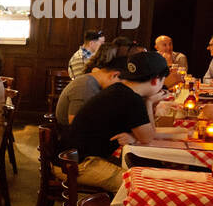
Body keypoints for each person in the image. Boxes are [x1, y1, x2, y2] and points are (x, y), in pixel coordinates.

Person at [65, 51, 169, 191]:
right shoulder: (132, 99)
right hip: (78, 164)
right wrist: (149, 103)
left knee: (144, 171)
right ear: (156, 80)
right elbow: (147, 137)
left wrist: (133, 136)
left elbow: (142, 135)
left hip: (73, 158)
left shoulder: (119, 90)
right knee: (141, 186)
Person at [55, 47, 127, 129]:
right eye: (120, 84)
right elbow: (76, 125)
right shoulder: (85, 86)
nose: (119, 89)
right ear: (115, 75)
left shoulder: (92, 82)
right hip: (70, 136)